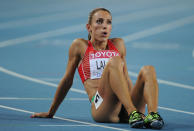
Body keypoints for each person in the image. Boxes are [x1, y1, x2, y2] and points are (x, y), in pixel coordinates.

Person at [31, 8, 164, 129]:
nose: (104, 26)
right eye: (99, 22)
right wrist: (51, 112)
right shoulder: (80, 46)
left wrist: (135, 102)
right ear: (89, 27)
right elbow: (67, 80)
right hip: (102, 106)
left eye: (108, 22)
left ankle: (153, 115)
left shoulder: (119, 44)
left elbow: (126, 78)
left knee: (148, 69)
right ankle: (132, 113)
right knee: (114, 61)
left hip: (125, 104)